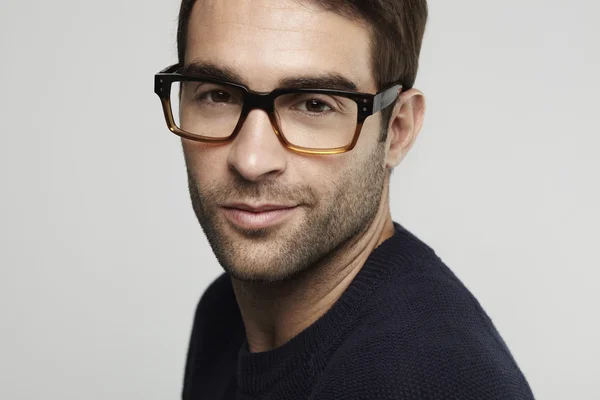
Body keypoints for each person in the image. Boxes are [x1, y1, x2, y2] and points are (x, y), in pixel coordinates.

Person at [154, 0, 535, 398]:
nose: (250, 161)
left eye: (314, 104)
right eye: (218, 95)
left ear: (398, 130)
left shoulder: (428, 380)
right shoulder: (225, 313)